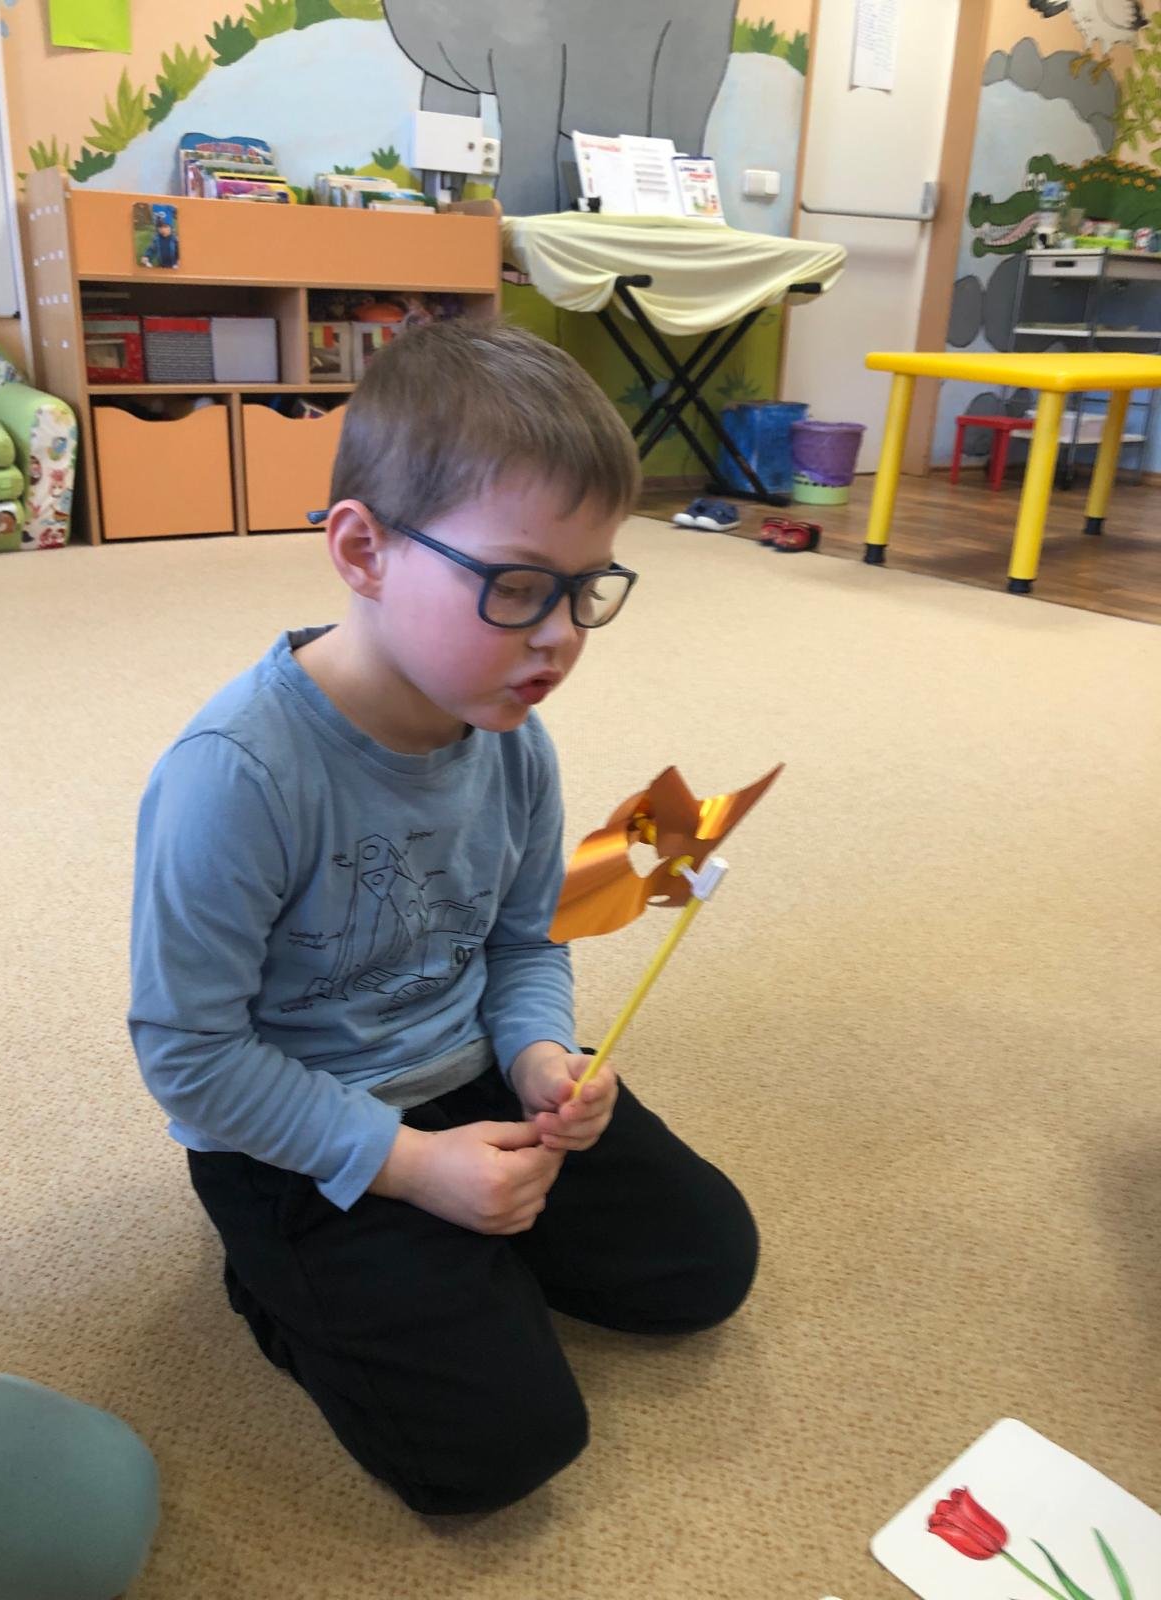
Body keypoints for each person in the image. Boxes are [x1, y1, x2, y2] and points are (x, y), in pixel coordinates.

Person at [129, 319, 758, 1516]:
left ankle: (462, 1242)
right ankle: (276, 1282)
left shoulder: (514, 739)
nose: (560, 634)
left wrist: (539, 1055)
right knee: (499, 1448)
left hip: (469, 1074)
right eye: (517, 586)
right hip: (300, 1134)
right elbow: (190, 1058)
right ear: (362, 550)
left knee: (706, 1264)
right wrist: (409, 1168)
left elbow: (524, 941)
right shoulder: (237, 774)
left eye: (585, 588)